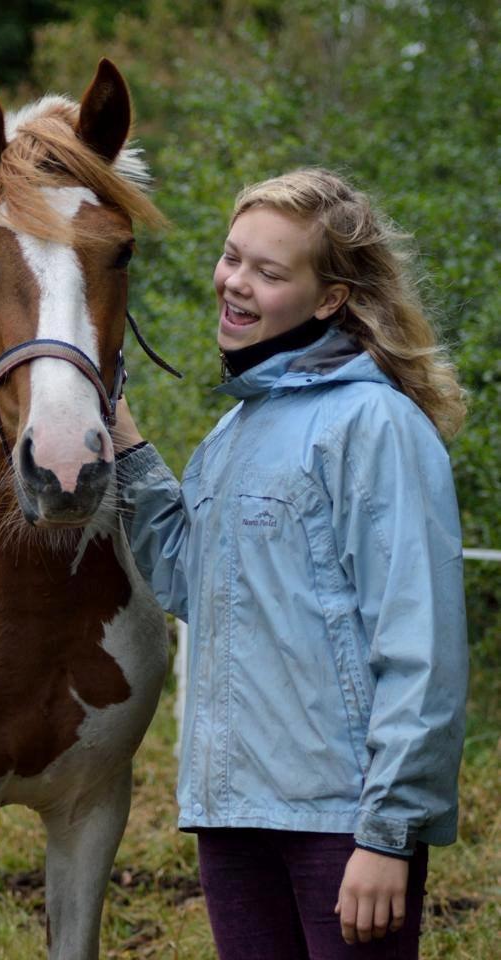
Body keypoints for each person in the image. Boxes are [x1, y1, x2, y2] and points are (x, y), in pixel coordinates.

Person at [111, 168, 468, 959]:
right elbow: (185, 579)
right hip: (232, 813)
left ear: (331, 297)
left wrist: (386, 834)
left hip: (339, 823)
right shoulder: (233, 434)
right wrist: (125, 444)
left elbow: (422, 647)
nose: (234, 284)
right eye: (232, 257)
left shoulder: (374, 425)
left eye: (268, 272)